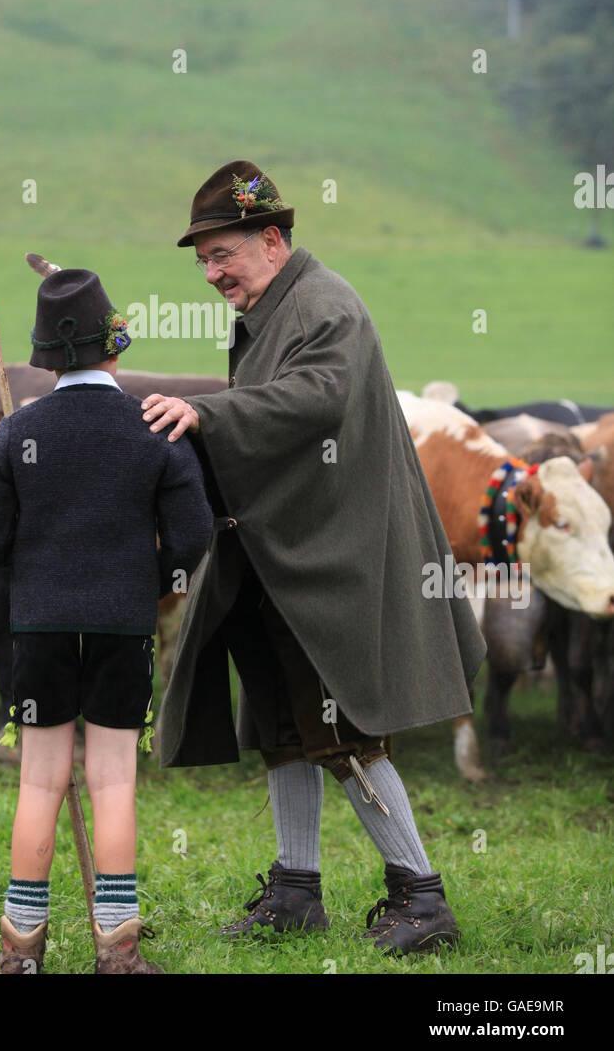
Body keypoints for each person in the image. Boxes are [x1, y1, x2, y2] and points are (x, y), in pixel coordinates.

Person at [140, 160, 487, 957]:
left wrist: (206, 412)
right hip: (280, 557)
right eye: (201, 262)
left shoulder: (325, 304)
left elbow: (318, 396)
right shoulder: (275, 305)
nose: (211, 273)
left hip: (331, 563)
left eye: (222, 254)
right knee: (283, 726)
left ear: (271, 238)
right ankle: (296, 891)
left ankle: (422, 896)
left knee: (342, 735)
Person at [0, 268, 213, 974]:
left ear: (45, 359)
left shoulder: (17, 434)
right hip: (124, 627)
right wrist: (153, 577)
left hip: (38, 629)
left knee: (39, 783)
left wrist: (20, 536)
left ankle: (20, 954)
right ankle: (119, 952)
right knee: (113, 783)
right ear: (115, 349)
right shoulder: (156, 428)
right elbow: (191, 537)